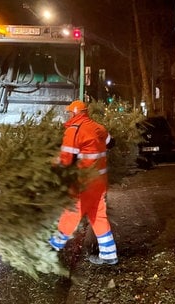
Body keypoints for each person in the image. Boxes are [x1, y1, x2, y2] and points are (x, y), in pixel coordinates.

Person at [49, 100, 118, 265]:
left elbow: (66, 159)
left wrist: (51, 165)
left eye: (70, 113)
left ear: (74, 113)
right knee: (98, 215)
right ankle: (109, 255)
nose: (68, 115)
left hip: (83, 182)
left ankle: (53, 247)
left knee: (71, 213)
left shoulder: (74, 131)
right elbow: (112, 143)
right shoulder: (98, 127)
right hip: (100, 181)